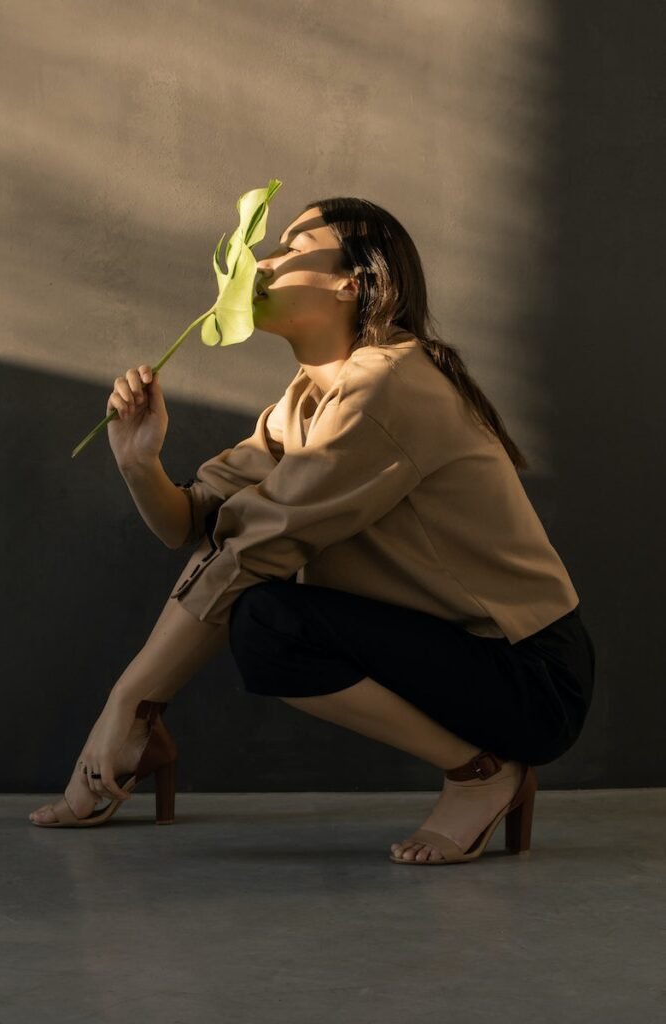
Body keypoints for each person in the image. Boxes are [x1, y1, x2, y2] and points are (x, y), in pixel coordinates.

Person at [29, 198, 596, 866]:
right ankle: (141, 734)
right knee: (257, 603)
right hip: (449, 653)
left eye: (291, 247)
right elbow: (193, 524)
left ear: (350, 282)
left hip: (525, 675)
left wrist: (125, 703)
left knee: (266, 616)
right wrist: (138, 460)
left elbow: (251, 550)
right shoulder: (300, 404)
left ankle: (482, 773)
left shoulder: (387, 385)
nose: (260, 261)